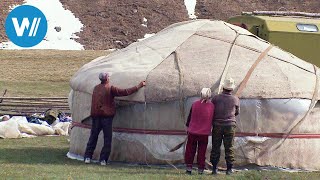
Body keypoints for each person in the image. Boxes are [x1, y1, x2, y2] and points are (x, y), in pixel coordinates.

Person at [84, 72, 145, 165]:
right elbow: (125, 92)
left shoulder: (96, 88)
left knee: (93, 137)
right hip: (106, 117)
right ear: (107, 78)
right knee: (107, 139)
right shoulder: (110, 88)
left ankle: (87, 157)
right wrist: (139, 86)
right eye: (109, 76)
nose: (109, 77)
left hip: (96, 116)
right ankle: (103, 159)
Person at [210, 77, 240, 175]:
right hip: (230, 125)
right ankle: (229, 170)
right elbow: (237, 112)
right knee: (229, 147)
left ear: (223, 87)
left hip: (217, 125)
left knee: (215, 146)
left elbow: (211, 110)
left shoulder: (215, 98)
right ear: (232, 89)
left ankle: (214, 169)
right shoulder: (235, 99)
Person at [185, 88, 215, 175]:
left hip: (192, 132)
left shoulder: (194, 104)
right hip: (204, 133)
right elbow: (213, 119)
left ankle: (189, 168)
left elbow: (189, 117)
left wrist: (188, 126)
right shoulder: (212, 106)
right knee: (202, 151)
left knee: (190, 150)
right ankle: (200, 170)